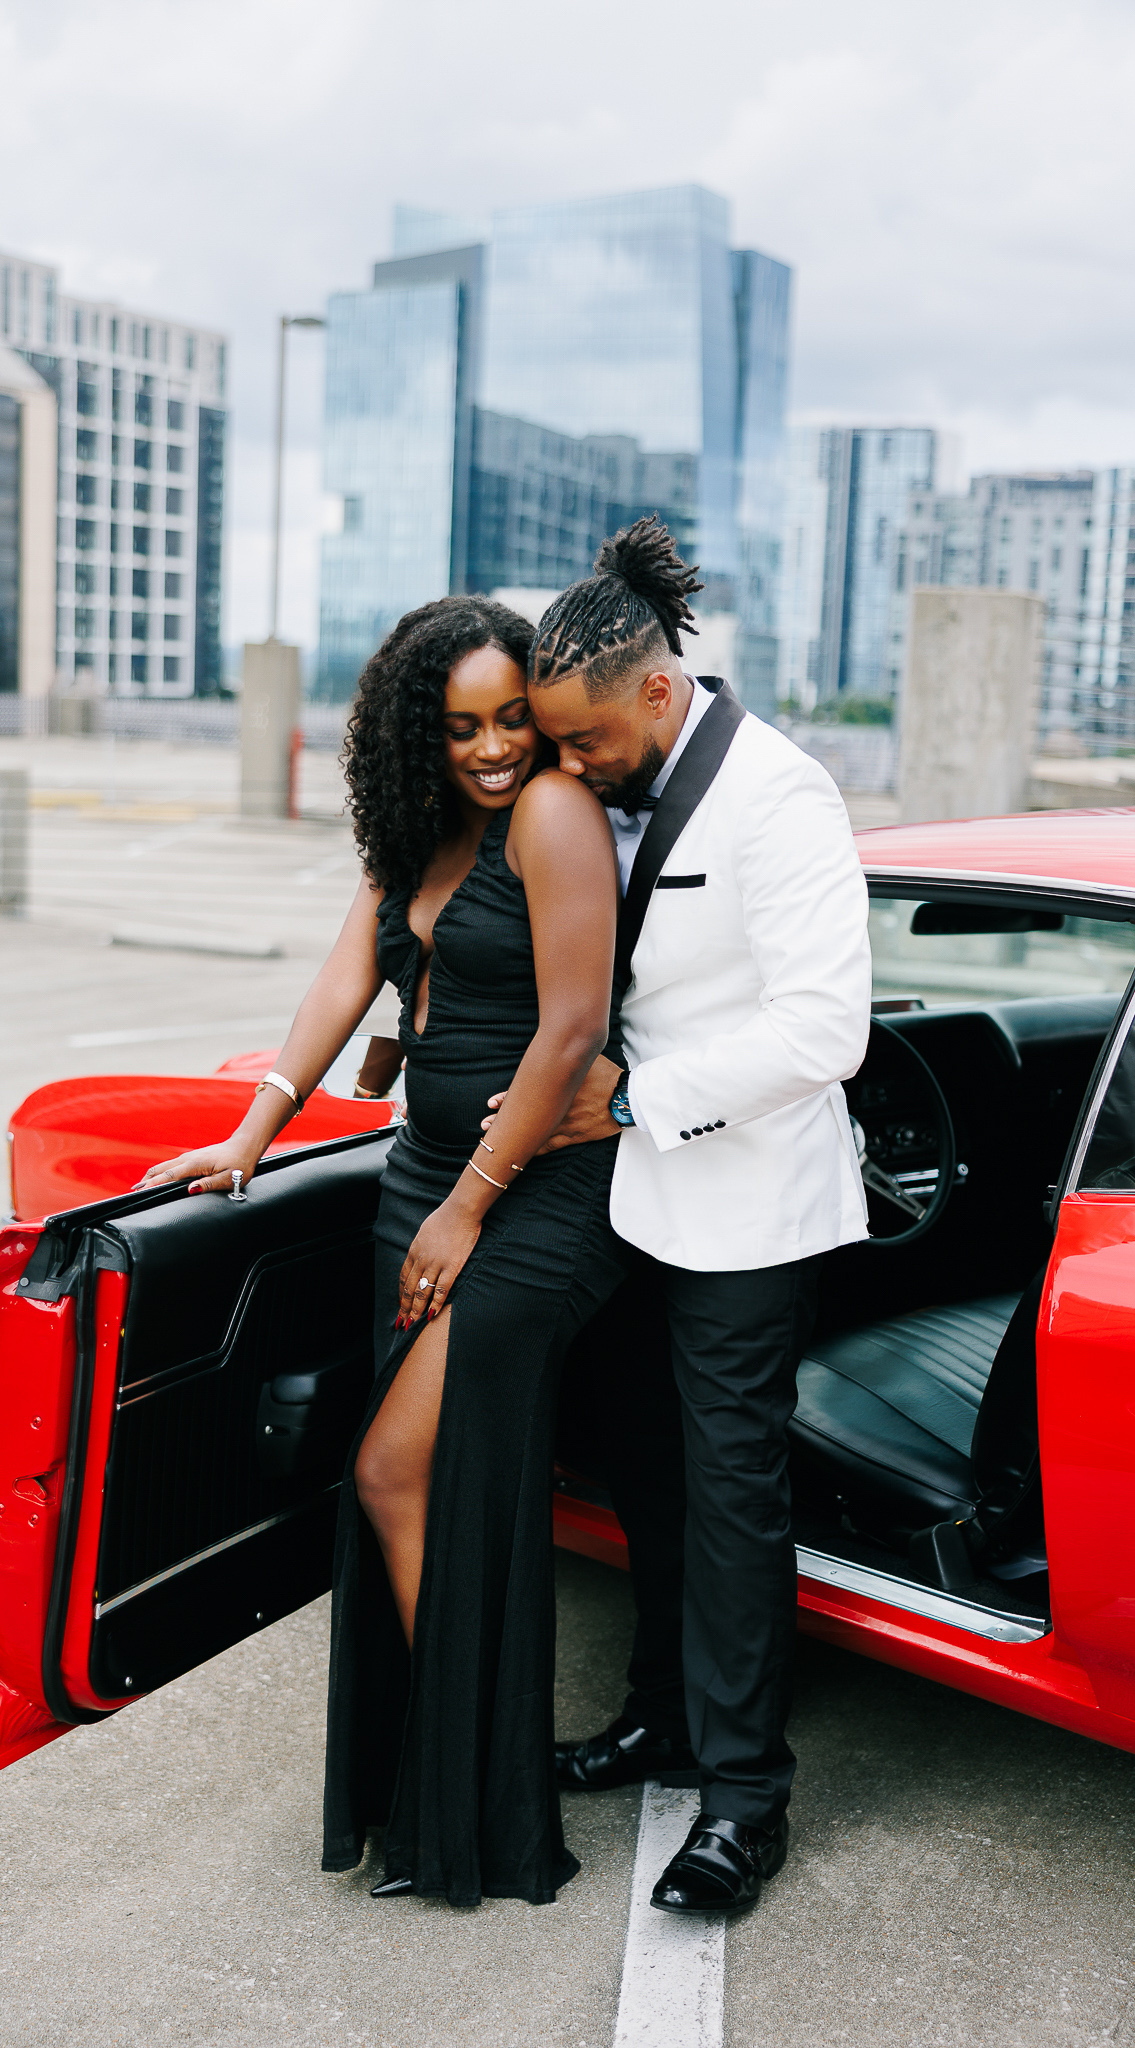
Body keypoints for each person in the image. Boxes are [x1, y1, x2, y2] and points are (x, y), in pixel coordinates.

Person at [135, 595, 625, 1908]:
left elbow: (570, 1028)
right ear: (420, 730)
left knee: (398, 1472)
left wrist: (471, 1201)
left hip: (534, 1194)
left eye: (510, 717)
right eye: (460, 724)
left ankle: (476, 1795)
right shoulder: (418, 828)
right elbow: (346, 976)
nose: (490, 747)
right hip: (420, 1180)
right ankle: (440, 1784)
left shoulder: (554, 817)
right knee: (425, 1486)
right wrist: (254, 1129)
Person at [506, 516, 873, 1917]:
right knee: (644, 1484)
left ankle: (742, 1802)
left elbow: (821, 1030)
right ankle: (659, 1715)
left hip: (745, 1206)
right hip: (628, 1204)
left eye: (585, 743)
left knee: (729, 1508)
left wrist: (642, 1096)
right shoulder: (603, 766)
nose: (571, 767)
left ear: (655, 692)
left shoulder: (784, 797)